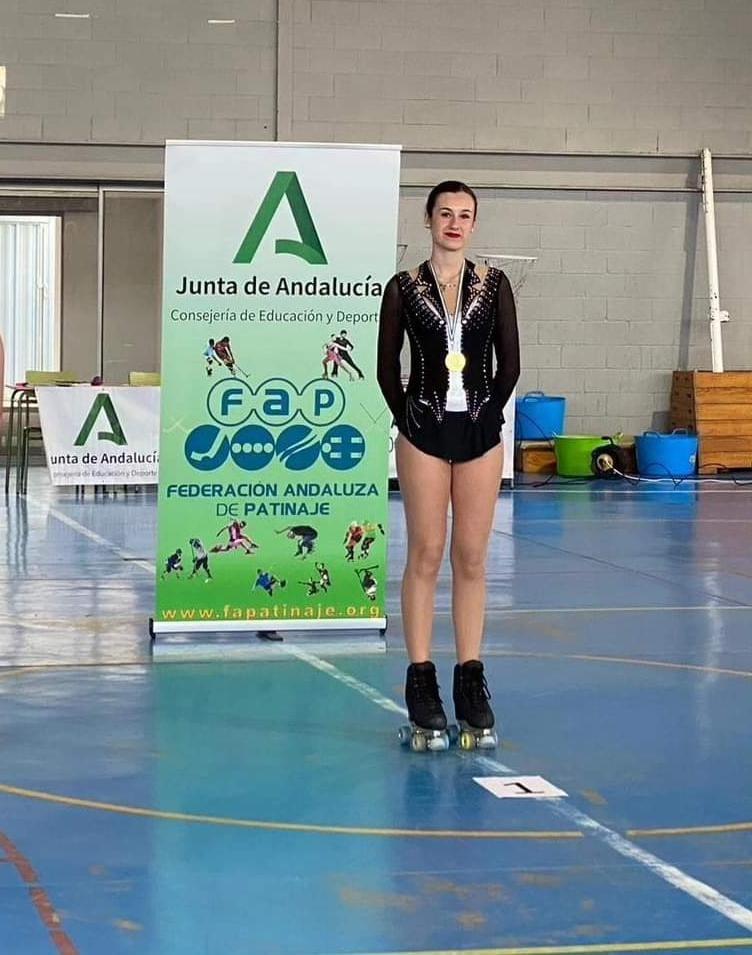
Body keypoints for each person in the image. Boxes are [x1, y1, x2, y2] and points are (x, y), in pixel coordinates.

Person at [377, 180, 520, 749]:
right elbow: (387, 365)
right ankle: (420, 681)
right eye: (445, 214)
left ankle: (471, 680)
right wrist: (406, 416)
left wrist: (490, 416)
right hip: (423, 431)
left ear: (474, 225)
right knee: (427, 552)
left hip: (480, 432)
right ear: (429, 220)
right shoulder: (404, 287)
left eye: (465, 215)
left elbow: (508, 362)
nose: (455, 224)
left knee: (472, 557)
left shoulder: (496, 284)